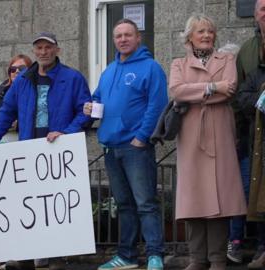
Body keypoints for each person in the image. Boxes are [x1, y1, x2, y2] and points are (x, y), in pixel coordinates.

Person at [0, 31, 92, 270]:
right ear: (34, 51)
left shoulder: (73, 78)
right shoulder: (22, 81)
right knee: (30, 204)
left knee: (57, 205)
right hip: (29, 149)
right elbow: (5, 113)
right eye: (38, 48)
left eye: (48, 47)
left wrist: (66, 133)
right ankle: (26, 258)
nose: (43, 52)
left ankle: (57, 256)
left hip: (57, 149)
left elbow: (85, 113)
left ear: (57, 50)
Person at [83, 18, 167, 270]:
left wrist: (142, 136)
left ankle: (155, 255)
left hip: (135, 147)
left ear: (138, 37)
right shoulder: (109, 71)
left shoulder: (151, 67)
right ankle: (127, 256)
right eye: (118, 36)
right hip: (110, 147)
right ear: (114, 40)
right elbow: (98, 98)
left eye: (127, 35)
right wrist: (90, 106)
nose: (122, 39)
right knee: (124, 205)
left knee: (145, 203)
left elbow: (158, 105)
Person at [169, 14, 247, 270]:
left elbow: (231, 88)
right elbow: (177, 91)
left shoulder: (227, 59)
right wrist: (213, 88)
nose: (206, 36)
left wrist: (197, 91)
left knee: (220, 198)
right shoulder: (179, 63)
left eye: (210, 32)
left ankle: (217, 259)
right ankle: (197, 258)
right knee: (193, 197)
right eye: (201, 31)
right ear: (189, 36)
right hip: (191, 136)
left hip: (220, 133)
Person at [234, 0, 265, 267]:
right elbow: (240, 98)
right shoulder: (247, 51)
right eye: (264, 8)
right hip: (255, 138)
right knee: (258, 196)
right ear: (255, 15)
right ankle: (261, 248)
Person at [0, 54, 32, 143]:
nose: (17, 72)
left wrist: (18, 125)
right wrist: (2, 125)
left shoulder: (34, 91)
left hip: (26, 141)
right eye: (13, 69)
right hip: (2, 142)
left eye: (22, 68)